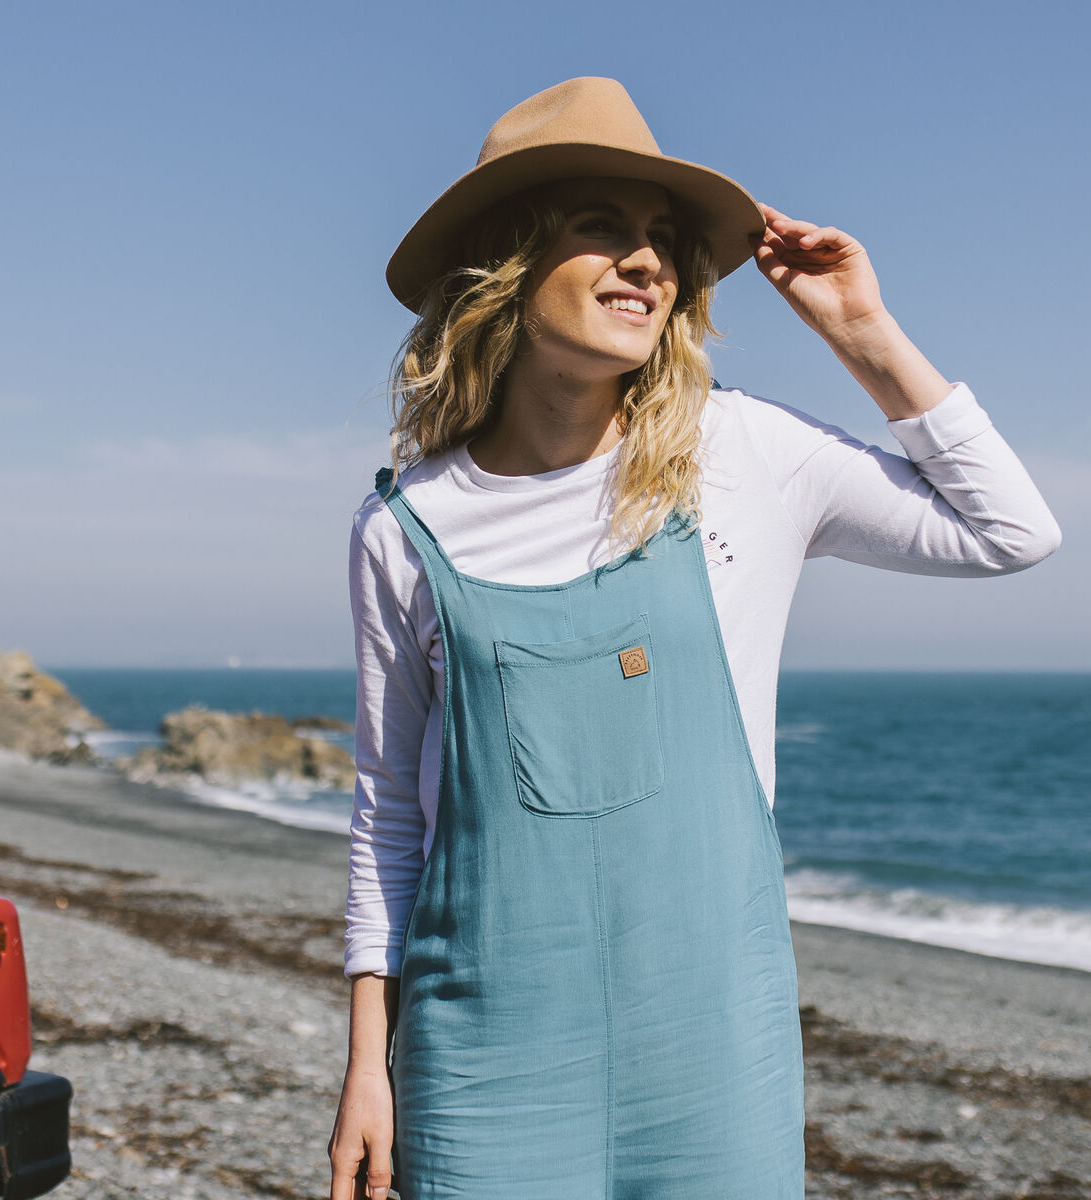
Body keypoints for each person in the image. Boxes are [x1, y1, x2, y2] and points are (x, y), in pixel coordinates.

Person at [328, 77, 1060, 1200]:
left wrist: (860, 330)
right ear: (506, 264)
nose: (646, 261)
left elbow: (1010, 531)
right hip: (482, 1063)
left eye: (664, 240)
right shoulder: (404, 528)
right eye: (601, 226)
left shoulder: (739, 454)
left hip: (714, 1056)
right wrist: (365, 1070)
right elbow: (388, 812)